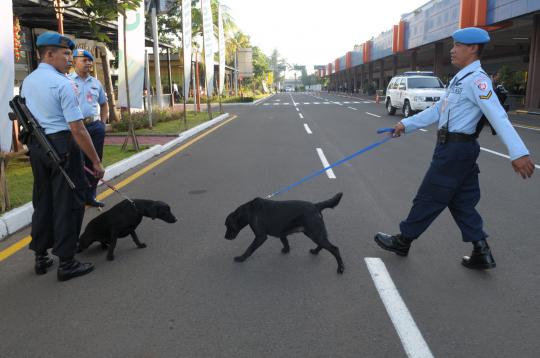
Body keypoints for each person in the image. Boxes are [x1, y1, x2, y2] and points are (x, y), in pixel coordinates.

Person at [374, 27, 535, 270]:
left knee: (429, 196)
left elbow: (498, 116)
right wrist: (405, 124)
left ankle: (403, 240)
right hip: (458, 150)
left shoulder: (478, 82)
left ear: (472, 48)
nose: (452, 50)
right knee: (461, 202)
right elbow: (438, 111)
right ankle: (481, 250)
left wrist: (519, 152)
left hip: (454, 151)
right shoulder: (460, 80)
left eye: (457, 45)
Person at [21, 32, 105, 281]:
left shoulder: (29, 81)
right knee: (70, 202)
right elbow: (77, 128)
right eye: (66, 53)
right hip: (62, 146)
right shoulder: (62, 83)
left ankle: (41, 255)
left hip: (37, 147)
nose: (70, 58)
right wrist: (96, 162)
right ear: (49, 54)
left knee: (43, 200)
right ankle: (67, 262)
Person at [69, 48, 108, 208]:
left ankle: (91, 196)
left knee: (95, 163)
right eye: (84, 60)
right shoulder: (67, 81)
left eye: (90, 60)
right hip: (76, 129)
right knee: (76, 163)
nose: (88, 63)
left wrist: (103, 124)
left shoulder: (95, 83)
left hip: (94, 127)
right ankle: (78, 196)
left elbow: (104, 104)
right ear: (74, 61)